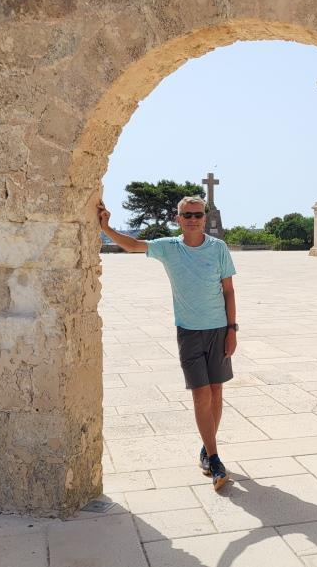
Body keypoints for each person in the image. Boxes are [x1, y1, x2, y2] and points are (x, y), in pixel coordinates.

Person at [97, 196, 238, 490]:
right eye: (187, 215)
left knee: (216, 392)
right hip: (189, 332)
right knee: (201, 395)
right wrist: (106, 228)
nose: (193, 219)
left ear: (204, 218)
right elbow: (133, 245)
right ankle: (214, 460)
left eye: (198, 214)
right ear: (178, 219)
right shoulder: (169, 247)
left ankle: (207, 449)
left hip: (218, 330)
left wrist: (232, 330)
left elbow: (228, 291)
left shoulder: (218, 248)